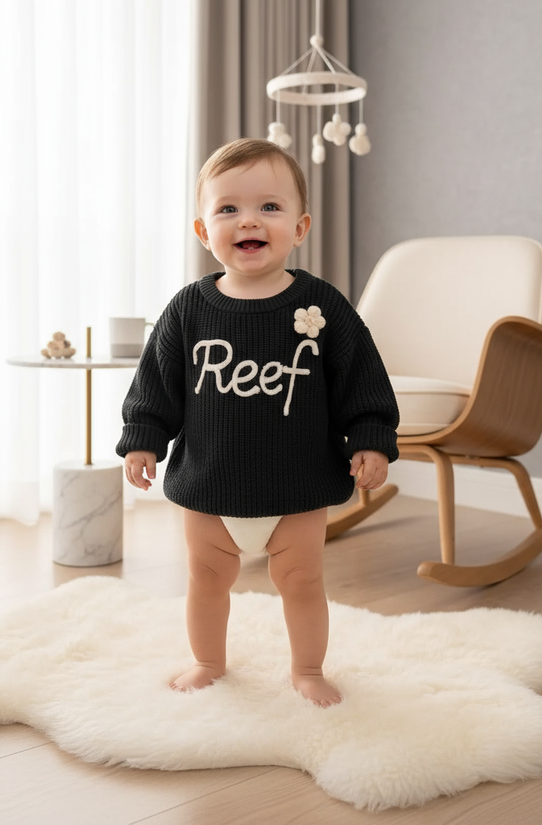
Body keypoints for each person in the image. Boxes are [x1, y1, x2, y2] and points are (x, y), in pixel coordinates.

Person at [116, 138, 399, 708]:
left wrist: (371, 437)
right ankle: (207, 660)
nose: (249, 219)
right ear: (203, 231)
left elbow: (362, 378)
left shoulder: (323, 305)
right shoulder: (188, 309)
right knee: (206, 581)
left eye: (269, 207)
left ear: (300, 227)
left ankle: (308, 669)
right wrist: (143, 439)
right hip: (208, 484)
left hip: (296, 486)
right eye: (229, 209)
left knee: (302, 582)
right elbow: (156, 383)